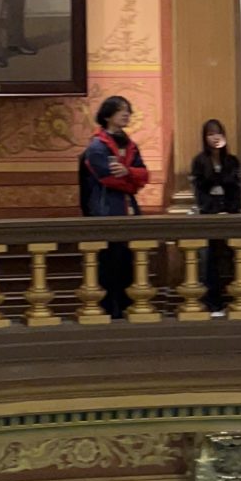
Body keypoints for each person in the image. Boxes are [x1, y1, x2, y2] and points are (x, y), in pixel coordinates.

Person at [75, 95, 149, 319]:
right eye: (120, 111)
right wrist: (131, 179)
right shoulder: (97, 146)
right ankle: (110, 309)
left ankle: (126, 307)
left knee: (128, 263)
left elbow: (144, 175)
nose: (126, 114)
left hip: (128, 211)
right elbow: (107, 178)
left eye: (128, 110)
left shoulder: (131, 145)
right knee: (109, 264)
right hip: (106, 211)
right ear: (107, 115)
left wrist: (129, 173)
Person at [189, 119, 241, 314]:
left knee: (236, 254)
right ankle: (213, 301)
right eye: (210, 134)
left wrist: (230, 208)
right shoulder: (199, 161)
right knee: (208, 257)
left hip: (229, 210)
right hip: (208, 211)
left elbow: (234, 187)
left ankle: (239, 298)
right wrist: (212, 208)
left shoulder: (231, 161)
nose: (215, 137)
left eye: (218, 133)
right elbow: (201, 189)